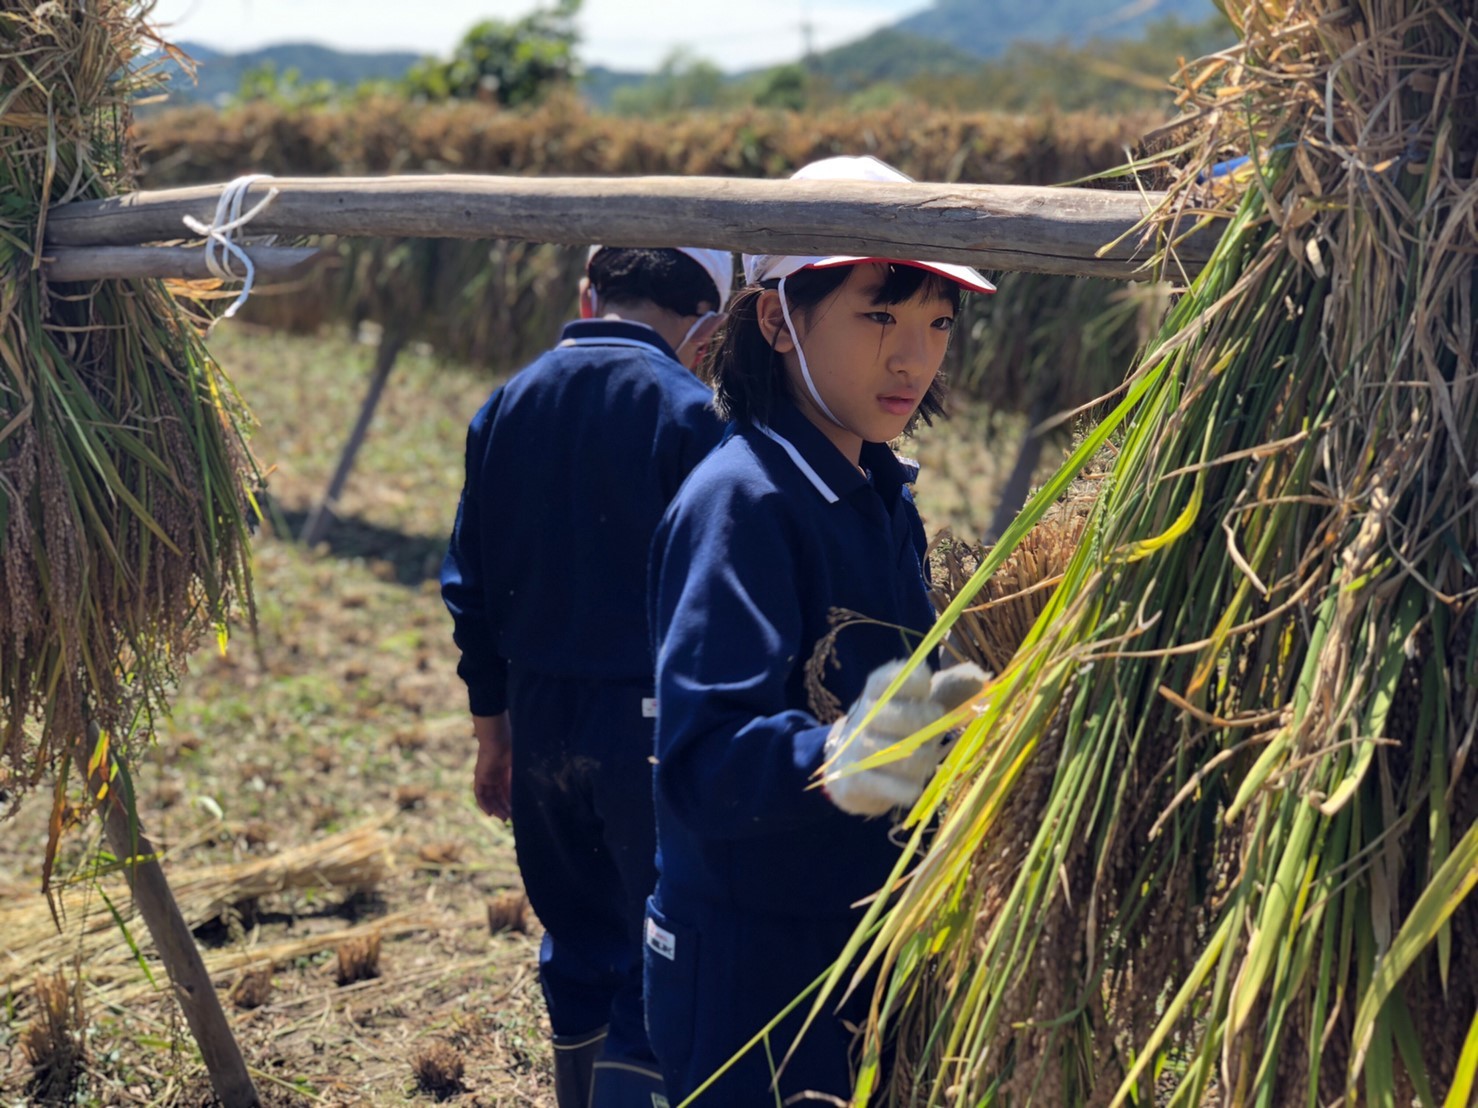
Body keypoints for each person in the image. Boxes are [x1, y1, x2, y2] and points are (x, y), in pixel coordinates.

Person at [644, 155, 994, 1103]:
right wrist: (847, 751)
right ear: (777, 317)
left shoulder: (882, 495)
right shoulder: (745, 502)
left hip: (862, 942)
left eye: (936, 323)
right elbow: (701, 758)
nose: (913, 356)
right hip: (758, 968)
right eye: (878, 315)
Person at [442, 244, 732, 1108]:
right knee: (665, 930)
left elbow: (471, 585)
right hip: (647, 721)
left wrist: (494, 732)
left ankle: (578, 1087)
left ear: (587, 294)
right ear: (707, 328)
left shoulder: (505, 403)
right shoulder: (692, 415)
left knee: (574, 927)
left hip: (536, 716)